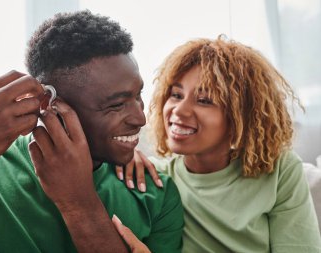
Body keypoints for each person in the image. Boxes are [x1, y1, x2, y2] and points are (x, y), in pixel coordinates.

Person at [0, 10, 184, 253]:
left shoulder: (156, 194)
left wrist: (79, 202)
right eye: (116, 105)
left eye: (138, 96)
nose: (140, 119)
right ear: (48, 102)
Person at [116, 36, 321, 252]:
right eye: (176, 95)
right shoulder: (155, 178)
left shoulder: (280, 171)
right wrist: (124, 156)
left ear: (240, 117)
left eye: (204, 100)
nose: (179, 110)